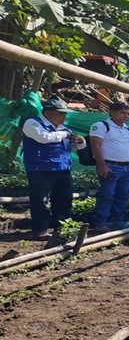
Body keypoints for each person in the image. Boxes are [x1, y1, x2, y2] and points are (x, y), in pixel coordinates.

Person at [20, 99, 86, 240]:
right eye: (61, 113)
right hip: (41, 169)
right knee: (40, 200)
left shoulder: (64, 128)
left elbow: (70, 146)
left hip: (62, 168)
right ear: (48, 113)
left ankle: (62, 229)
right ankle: (40, 230)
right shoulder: (33, 123)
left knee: (64, 199)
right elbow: (44, 138)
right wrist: (65, 135)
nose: (64, 117)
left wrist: (79, 142)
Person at [90, 102, 129, 232]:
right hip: (110, 166)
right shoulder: (101, 126)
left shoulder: (128, 129)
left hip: (127, 167)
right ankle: (101, 222)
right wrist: (102, 166)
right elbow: (96, 146)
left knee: (124, 194)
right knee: (107, 194)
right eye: (122, 113)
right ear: (111, 112)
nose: (126, 116)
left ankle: (116, 220)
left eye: (128, 113)